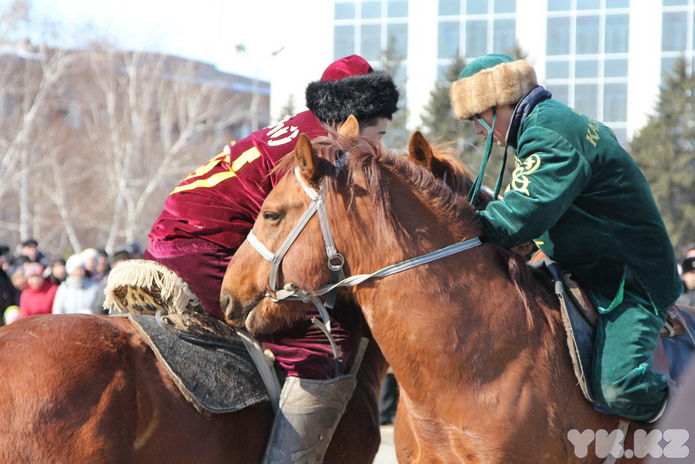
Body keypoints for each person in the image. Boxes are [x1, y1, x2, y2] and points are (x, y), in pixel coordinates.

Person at [111, 55, 399, 463]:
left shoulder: (301, 127)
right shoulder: (329, 150)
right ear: (351, 121)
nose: (381, 146)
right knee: (323, 344)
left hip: (175, 237)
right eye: (379, 132)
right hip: (210, 250)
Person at [450, 54, 683, 422]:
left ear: (498, 104)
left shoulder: (550, 134)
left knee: (621, 388)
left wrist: (449, 225)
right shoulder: (545, 124)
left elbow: (516, 219)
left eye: (477, 119)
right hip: (590, 269)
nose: (478, 132)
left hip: (630, 280)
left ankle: (686, 416)